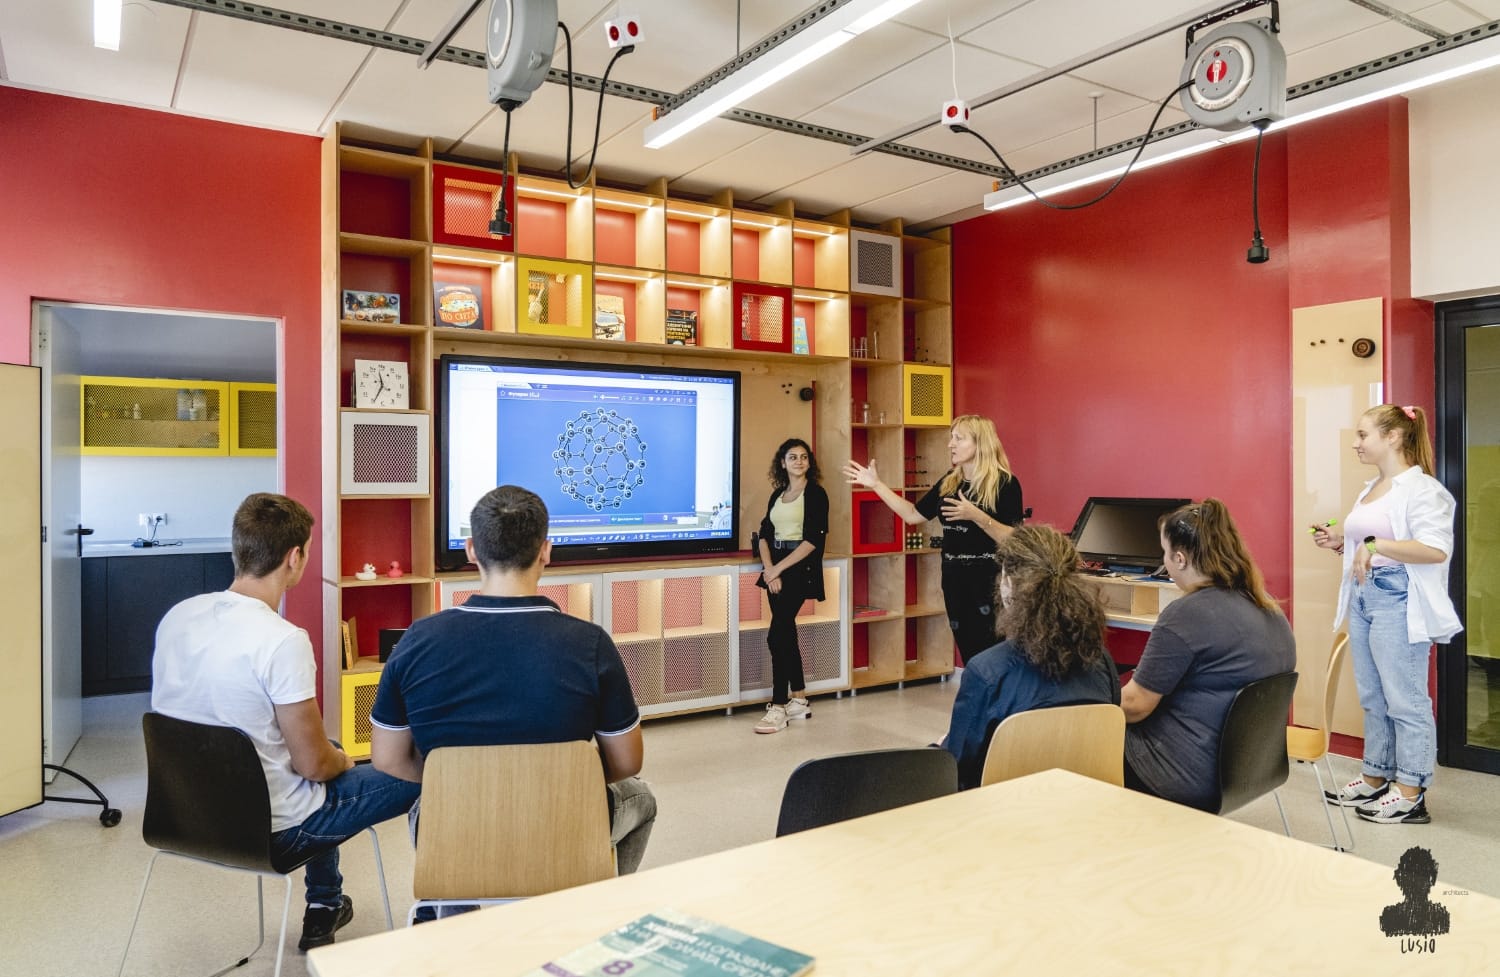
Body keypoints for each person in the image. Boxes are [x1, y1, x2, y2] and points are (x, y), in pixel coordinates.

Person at [151, 493, 420, 951]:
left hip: (183, 817)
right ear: (294, 557)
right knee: (425, 768)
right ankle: (435, 912)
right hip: (275, 834)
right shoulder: (282, 640)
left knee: (325, 754)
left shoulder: (178, 616)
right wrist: (341, 761)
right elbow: (315, 766)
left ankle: (325, 904)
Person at [368, 485, 656, 874]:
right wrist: (556, 782)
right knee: (641, 798)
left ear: (471, 550)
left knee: (428, 805)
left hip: (452, 835)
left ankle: (452, 900)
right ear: (546, 551)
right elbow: (627, 761)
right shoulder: (591, 644)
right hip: (563, 828)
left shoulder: (416, 640)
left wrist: (458, 780)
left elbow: (387, 759)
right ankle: (591, 901)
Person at [1312, 404, 1462, 825]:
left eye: (1363, 435)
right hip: (1365, 595)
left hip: (1399, 598)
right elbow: (1370, 543)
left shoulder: (1423, 489)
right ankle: (1375, 775)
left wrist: (1375, 546)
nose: (1356, 444)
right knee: (1373, 696)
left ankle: (1410, 792)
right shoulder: (1373, 487)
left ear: (1393, 436)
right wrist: (1340, 541)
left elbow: (1435, 549)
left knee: (1405, 699)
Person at [1121, 499, 1296, 812]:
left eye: (1164, 553)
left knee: (1080, 740)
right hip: (1248, 770)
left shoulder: (1185, 615)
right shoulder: (1267, 605)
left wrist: (1092, 702)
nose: (1164, 562)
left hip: (1182, 774)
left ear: (1180, 558)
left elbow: (1135, 706)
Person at [943, 525, 1120, 789]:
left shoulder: (986, 671)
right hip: (1086, 798)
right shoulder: (1101, 660)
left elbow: (958, 769)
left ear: (1007, 585)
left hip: (1003, 806)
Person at [843, 414, 1023, 664]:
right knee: (969, 650)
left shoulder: (1005, 483)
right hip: (953, 577)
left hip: (987, 578)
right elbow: (912, 514)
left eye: (959, 438)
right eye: (951, 438)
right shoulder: (950, 481)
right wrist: (876, 485)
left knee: (991, 651)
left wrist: (976, 515)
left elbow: (1014, 539)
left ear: (980, 443)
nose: (951, 444)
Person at [753, 438, 829, 734]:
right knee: (786, 632)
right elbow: (764, 534)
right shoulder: (778, 494)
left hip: (799, 569)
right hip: (775, 569)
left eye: (804, 457)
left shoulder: (816, 494)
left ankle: (778, 706)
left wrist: (778, 570)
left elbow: (812, 541)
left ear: (809, 462)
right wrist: (769, 570)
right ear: (782, 463)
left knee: (776, 636)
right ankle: (799, 699)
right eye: (793, 457)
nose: (799, 461)